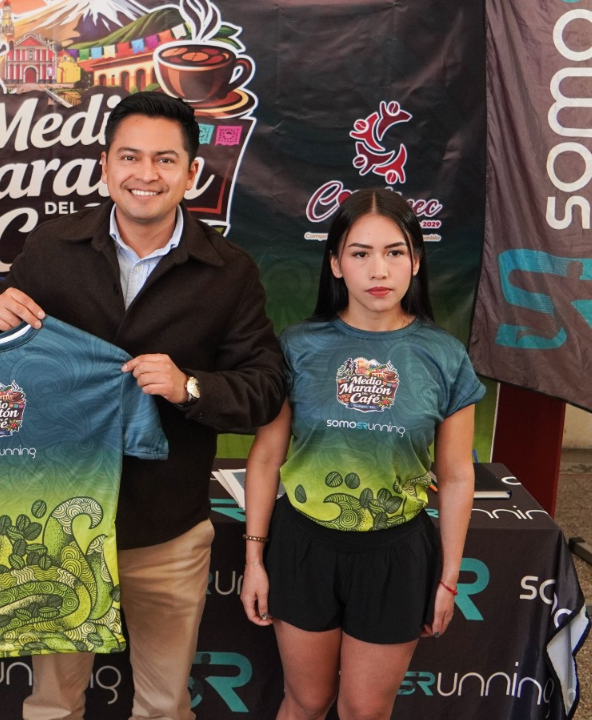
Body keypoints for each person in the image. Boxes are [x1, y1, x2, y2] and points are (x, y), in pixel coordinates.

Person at [0, 91, 286, 720]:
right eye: (130, 157)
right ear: (105, 167)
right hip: (59, 520)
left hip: (167, 527)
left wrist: (191, 387)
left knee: (164, 705)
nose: (146, 174)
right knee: (53, 704)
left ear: (192, 173)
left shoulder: (229, 271)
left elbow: (265, 386)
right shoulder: (52, 247)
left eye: (165, 160)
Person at [239, 188, 484, 720]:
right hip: (303, 546)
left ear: (416, 261)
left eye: (395, 252)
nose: (379, 269)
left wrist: (449, 577)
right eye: (360, 253)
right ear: (335, 263)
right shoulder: (297, 347)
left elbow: (456, 477)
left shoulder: (445, 356)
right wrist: (254, 559)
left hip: (396, 555)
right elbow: (266, 458)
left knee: (365, 711)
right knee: (306, 701)